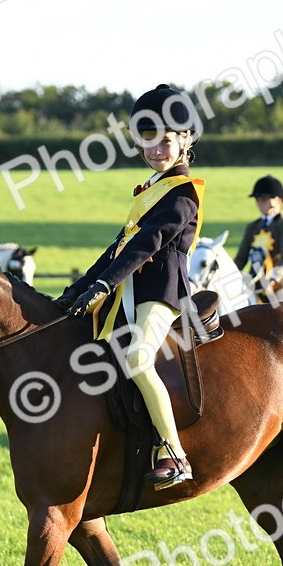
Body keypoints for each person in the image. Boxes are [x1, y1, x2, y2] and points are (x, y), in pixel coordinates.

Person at [55, 84, 205, 490]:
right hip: (130, 290)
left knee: (138, 357)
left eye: (167, 140)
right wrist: (79, 288)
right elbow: (118, 247)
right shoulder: (150, 189)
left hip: (162, 293)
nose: (157, 148)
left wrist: (104, 284)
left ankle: (174, 453)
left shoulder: (182, 195)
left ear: (185, 140)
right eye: (149, 139)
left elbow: (147, 244)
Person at [233, 175, 283, 300]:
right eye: (257, 199)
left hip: (280, 282)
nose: (259, 202)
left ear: (278, 201)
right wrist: (231, 274)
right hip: (254, 280)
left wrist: (275, 277)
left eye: (264, 199)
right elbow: (241, 258)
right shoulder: (252, 227)